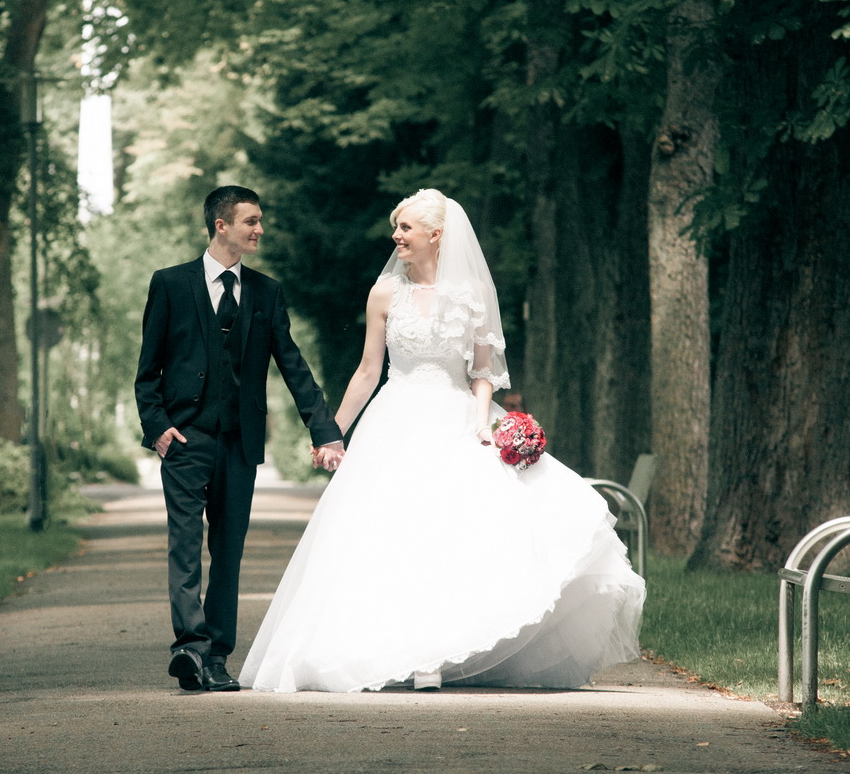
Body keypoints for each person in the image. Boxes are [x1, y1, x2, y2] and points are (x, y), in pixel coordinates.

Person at [241, 188, 645, 693]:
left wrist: (482, 424)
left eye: (406, 228)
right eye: (397, 227)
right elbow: (369, 371)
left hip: (456, 418)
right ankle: (396, 649)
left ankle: (439, 652)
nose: (397, 236)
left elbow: (482, 372)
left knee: (454, 534)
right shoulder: (384, 293)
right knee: (391, 534)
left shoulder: (472, 293)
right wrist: (332, 430)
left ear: (437, 235)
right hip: (396, 419)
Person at [134, 185, 343, 694]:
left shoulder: (267, 293)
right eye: (251, 220)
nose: (260, 229)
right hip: (185, 441)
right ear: (221, 225)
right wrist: (158, 428)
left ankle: (218, 654)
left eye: (260, 220)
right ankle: (189, 647)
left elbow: (292, 365)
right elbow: (148, 372)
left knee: (228, 551)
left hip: (240, 444)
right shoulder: (170, 284)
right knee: (184, 546)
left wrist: (325, 430)